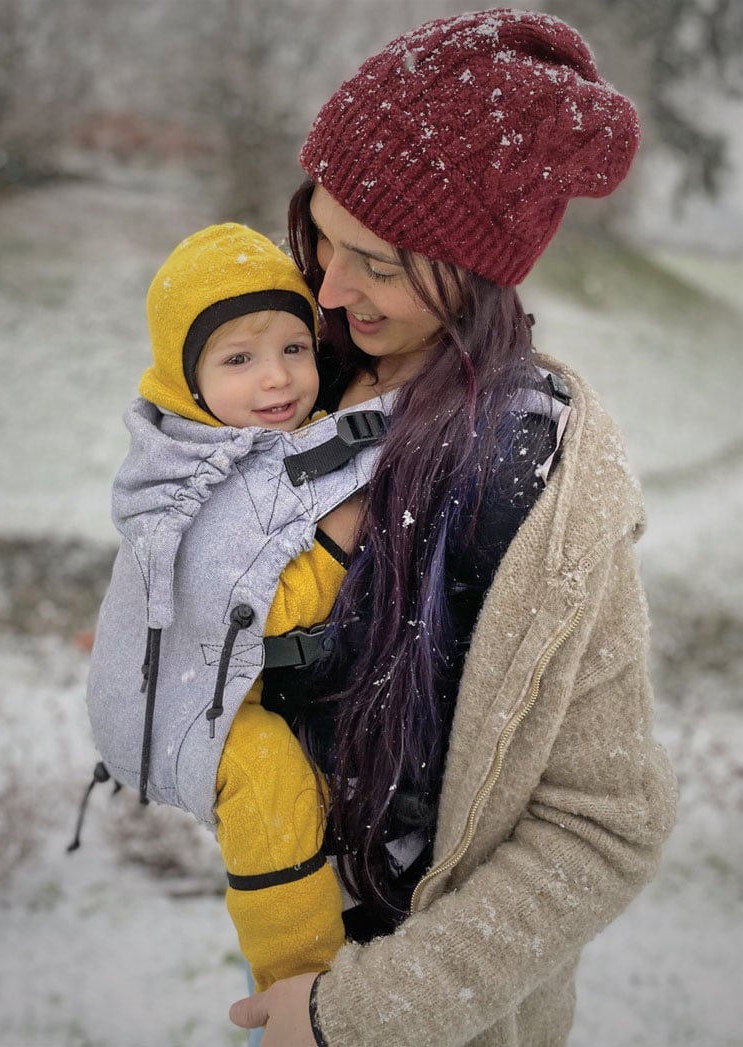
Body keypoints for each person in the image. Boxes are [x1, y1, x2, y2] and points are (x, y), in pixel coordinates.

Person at [228, 9, 678, 1046]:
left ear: (475, 267)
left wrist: (360, 1014)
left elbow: (601, 828)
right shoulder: (303, 375)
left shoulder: (536, 483)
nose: (331, 290)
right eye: (320, 237)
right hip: (281, 952)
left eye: (376, 264)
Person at [91, 222, 346, 993]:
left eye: (294, 349)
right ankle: (296, 981)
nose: (277, 380)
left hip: (188, 677)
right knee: (271, 783)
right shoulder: (191, 469)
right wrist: (339, 542)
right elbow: (257, 604)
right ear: (186, 374)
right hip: (155, 701)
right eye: (239, 358)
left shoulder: (253, 432)